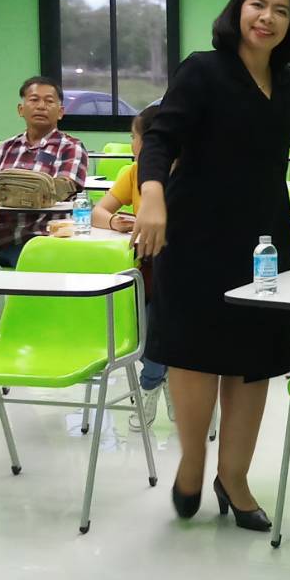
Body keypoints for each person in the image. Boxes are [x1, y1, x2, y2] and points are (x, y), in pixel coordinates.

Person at [132, 0, 290, 531]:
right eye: (258, 4)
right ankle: (192, 459)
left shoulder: (288, 82)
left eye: (281, 10)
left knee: (254, 359)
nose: (267, 17)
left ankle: (234, 477)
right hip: (196, 232)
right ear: (238, 9)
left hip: (263, 234)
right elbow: (160, 137)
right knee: (195, 351)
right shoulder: (203, 69)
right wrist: (152, 195)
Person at [91, 103, 168, 431]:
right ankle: (159, 379)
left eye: (133, 137)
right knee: (141, 326)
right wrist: (114, 222)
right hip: (143, 267)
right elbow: (98, 211)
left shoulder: (189, 173)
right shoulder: (133, 173)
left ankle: (151, 382)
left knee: (157, 325)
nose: (132, 144)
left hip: (179, 270)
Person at [0, 76, 89, 268]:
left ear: (60, 112)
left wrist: (1, 195)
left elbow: (61, 188)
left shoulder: (71, 147)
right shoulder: (5, 148)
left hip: (46, 243)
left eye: (49, 101)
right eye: (34, 100)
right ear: (21, 109)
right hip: (1, 242)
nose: (41, 106)